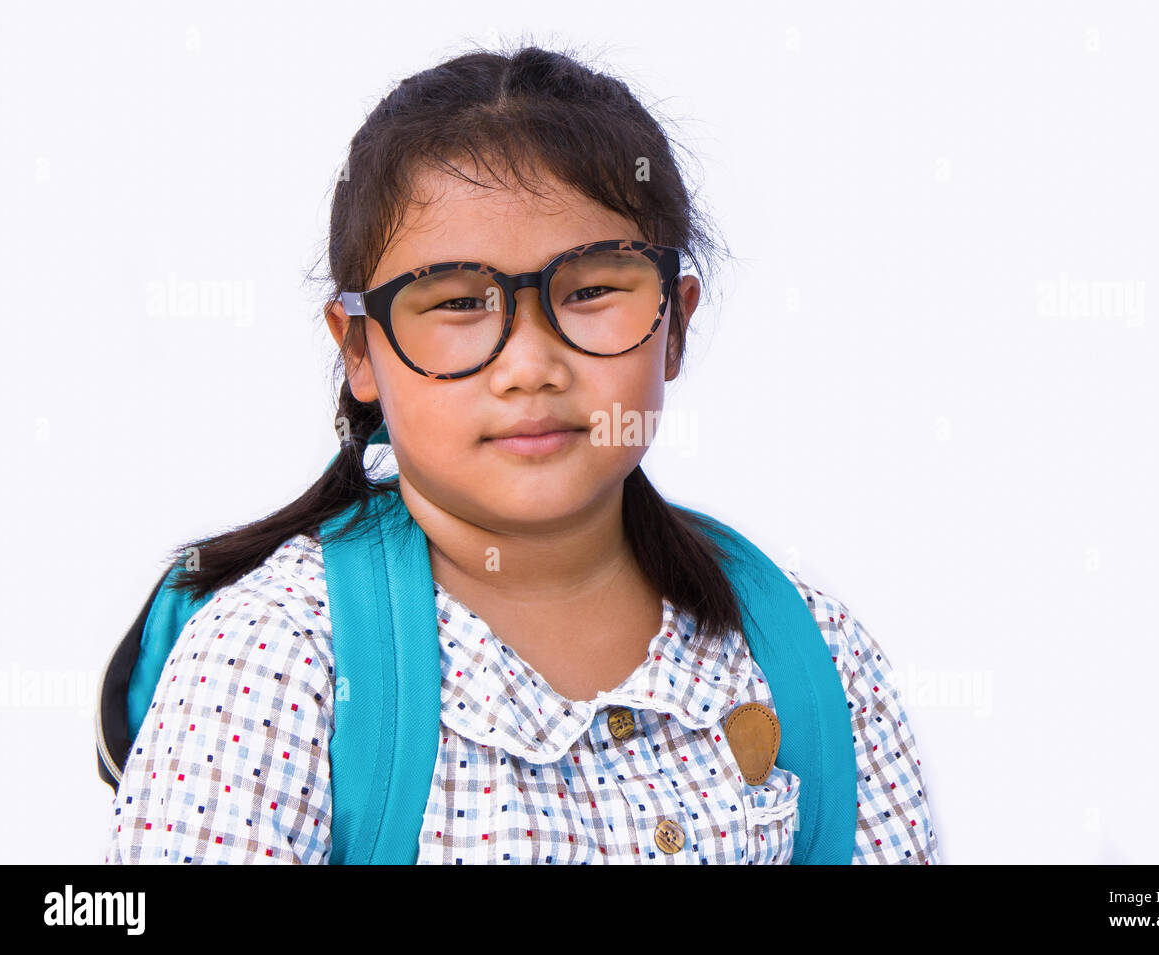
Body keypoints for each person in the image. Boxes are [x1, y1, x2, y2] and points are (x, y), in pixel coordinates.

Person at [103, 44, 940, 865]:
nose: (531, 366)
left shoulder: (811, 653)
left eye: (591, 292)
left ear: (675, 322)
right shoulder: (272, 660)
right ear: (359, 348)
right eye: (460, 302)